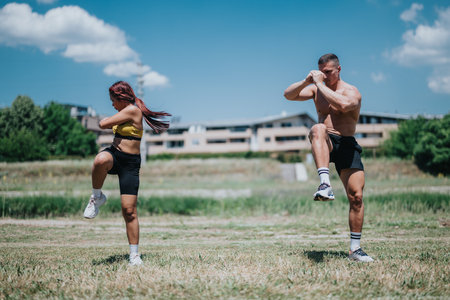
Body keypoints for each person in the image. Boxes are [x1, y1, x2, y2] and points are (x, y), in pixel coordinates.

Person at [284, 53, 373, 262]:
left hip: (347, 143)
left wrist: (319, 85)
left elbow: (343, 106)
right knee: (317, 128)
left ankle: (355, 250)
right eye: (320, 72)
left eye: (328, 73)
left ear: (338, 69)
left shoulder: (351, 91)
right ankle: (325, 184)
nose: (323, 76)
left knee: (357, 198)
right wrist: (307, 81)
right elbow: (288, 95)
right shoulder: (315, 88)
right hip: (326, 140)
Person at [83, 81, 170, 266]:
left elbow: (102, 123)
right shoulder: (123, 112)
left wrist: (111, 118)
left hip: (130, 164)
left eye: (113, 100)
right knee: (100, 160)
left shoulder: (132, 110)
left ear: (122, 98)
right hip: (115, 155)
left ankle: (134, 256)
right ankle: (96, 196)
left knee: (129, 211)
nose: (112, 104)